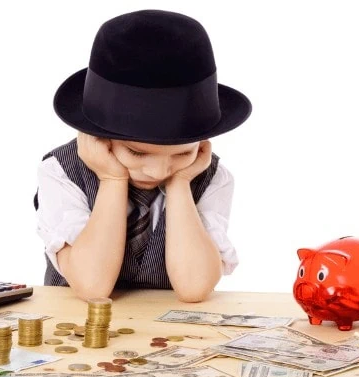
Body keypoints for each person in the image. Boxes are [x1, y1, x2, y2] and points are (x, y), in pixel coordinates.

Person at [35, 9, 251, 302]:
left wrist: (180, 184)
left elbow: (194, 288)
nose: (159, 170)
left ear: (202, 144)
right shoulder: (60, 171)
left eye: (182, 151)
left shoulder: (212, 177)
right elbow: (93, 286)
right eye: (137, 152)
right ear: (99, 137)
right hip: (77, 329)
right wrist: (112, 179)